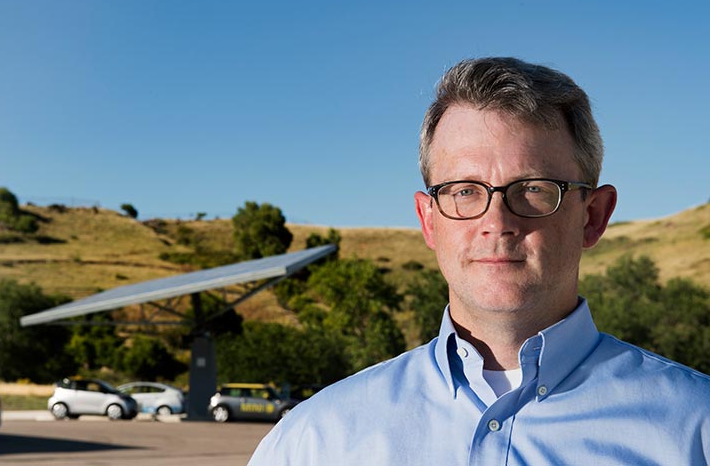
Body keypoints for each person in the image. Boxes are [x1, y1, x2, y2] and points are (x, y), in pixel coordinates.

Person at [248, 57, 710, 465]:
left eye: (532, 189)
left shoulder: (696, 430)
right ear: (428, 221)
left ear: (593, 217)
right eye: (464, 191)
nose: (497, 221)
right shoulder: (314, 440)